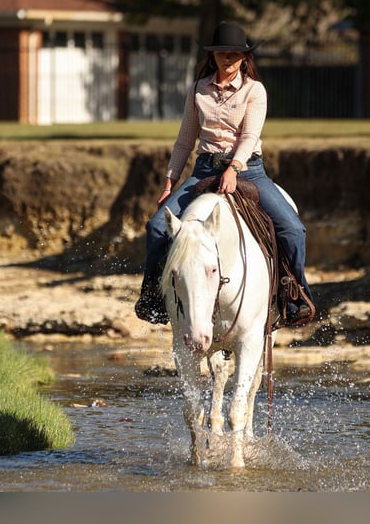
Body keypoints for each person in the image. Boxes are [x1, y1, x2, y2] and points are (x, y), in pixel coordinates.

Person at [134, 21, 314, 326]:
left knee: (293, 229)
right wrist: (169, 182)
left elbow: (249, 136)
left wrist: (233, 168)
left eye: (233, 54)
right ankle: (153, 296)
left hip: (249, 171)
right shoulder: (198, 90)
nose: (227, 60)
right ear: (213, 57)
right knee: (156, 228)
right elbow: (184, 141)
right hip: (204, 167)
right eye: (221, 54)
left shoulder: (254, 91)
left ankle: (295, 295)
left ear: (244, 57)